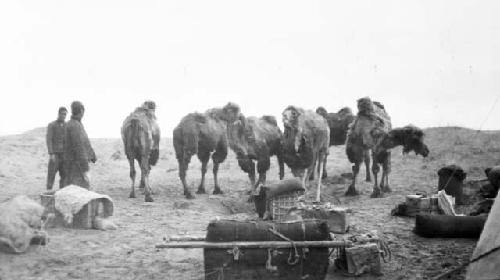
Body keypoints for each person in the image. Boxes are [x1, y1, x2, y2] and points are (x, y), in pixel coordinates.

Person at [63, 101, 96, 188]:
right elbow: (79, 148)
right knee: (81, 190)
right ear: (81, 111)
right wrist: (85, 169)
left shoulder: (73, 124)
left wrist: (92, 155)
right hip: (76, 167)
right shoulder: (75, 126)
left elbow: (84, 142)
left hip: (71, 165)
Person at [46, 107, 67, 190]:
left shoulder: (67, 125)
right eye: (62, 114)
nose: (63, 116)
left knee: (64, 176)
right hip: (55, 155)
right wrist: (51, 154)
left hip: (64, 156)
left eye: (65, 114)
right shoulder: (52, 125)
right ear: (58, 114)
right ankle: (48, 192)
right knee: (51, 175)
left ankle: (61, 194)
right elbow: (49, 139)